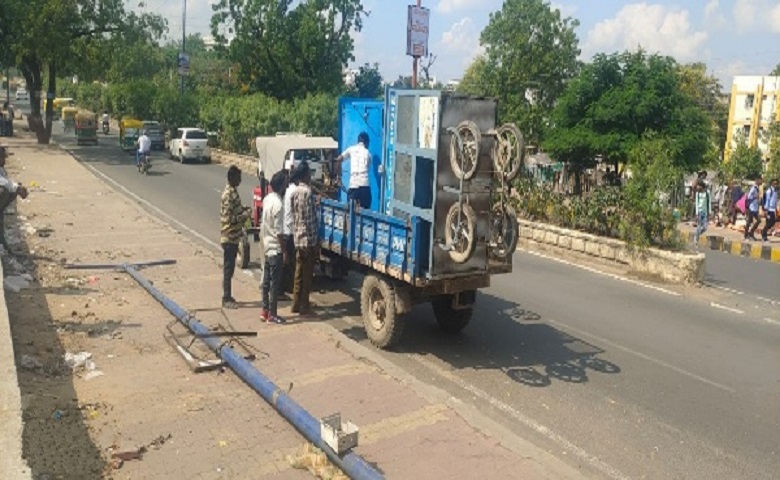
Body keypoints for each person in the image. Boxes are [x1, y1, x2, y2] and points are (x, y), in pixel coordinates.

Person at [290, 161, 319, 316]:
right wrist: (315, 242)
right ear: (305, 175)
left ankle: (295, 303)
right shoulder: (307, 193)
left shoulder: (294, 192)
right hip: (308, 240)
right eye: (309, 174)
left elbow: (295, 217)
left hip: (298, 239)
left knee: (298, 273)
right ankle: (304, 305)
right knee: (307, 275)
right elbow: (310, 220)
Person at [220, 166, 250, 309]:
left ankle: (228, 295)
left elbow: (235, 209)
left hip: (234, 236)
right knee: (228, 268)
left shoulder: (233, 192)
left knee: (230, 268)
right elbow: (229, 218)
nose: (240, 180)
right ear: (231, 178)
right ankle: (226, 297)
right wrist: (243, 216)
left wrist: (242, 209)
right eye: (238, 178)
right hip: (229, 235)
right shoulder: (228, 194)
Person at [261, 171, 288, 324]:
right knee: (274, 283)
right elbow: (279, 232)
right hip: (275, 247)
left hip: (267, 244)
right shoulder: (278, 204)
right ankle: (273, 313)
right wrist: (284, 251)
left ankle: (264, 310)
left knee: (266, 281)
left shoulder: (267, 199)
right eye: (285, 183)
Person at [0, 146, 29, 251]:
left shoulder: (1, 169)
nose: (4, 161)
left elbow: (5, 179)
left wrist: (17, 187)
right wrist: (16, 188)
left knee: (11, 191)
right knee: (4, 192)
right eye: (2, 158)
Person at [336, 132, 372, 209]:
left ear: (358, 141)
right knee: (366, 212)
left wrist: (339, 176)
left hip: (353, 186)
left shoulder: (351, 149)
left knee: (351, 211)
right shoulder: (368, 153)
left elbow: (339, 159)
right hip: (364, 185)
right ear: (366, 142)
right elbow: (367, 167)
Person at [282, 166, 300, 294]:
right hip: (291, 231)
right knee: (291, 262)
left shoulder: (288, 190)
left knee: (288, 262)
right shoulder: (295, 191)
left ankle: (287, 286)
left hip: (287, 229)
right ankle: (289, 287)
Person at [744, 177, 763, 241]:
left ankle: (751, 233)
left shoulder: (757, 188)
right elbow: (749, 196)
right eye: (760, 180)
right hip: (751, 208)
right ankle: (746, 235)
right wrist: (755, 196)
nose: (761, 181)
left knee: (759, 220)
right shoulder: (754, 188)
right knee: (749, 222)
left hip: (755, 208)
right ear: (757, 180)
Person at [693, 180, 710, 247]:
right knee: (699, 226)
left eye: (698, 186)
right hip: (699, 212)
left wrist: (710, 212)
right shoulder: (697, 194)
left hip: (705, 212)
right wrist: (697, 213)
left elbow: (709, 203)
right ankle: (696, 240)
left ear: (701, 186)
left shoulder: (707, 193)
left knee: (705, 227)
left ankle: (697, 235)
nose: (697, 187)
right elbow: (696, 204)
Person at [761, 178, 778, 243]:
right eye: (774, 184)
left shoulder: (775, 191)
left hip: (773, 209)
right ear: (771, 184)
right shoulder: (769, 191)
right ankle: (764, 237)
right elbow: (767, 201)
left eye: (776, 184)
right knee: (769, 223)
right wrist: (766, 211)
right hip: (769, 209)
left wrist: (776, 210)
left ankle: (763, 232)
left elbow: (775, 202)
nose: (775, 185)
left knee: (773, 222)